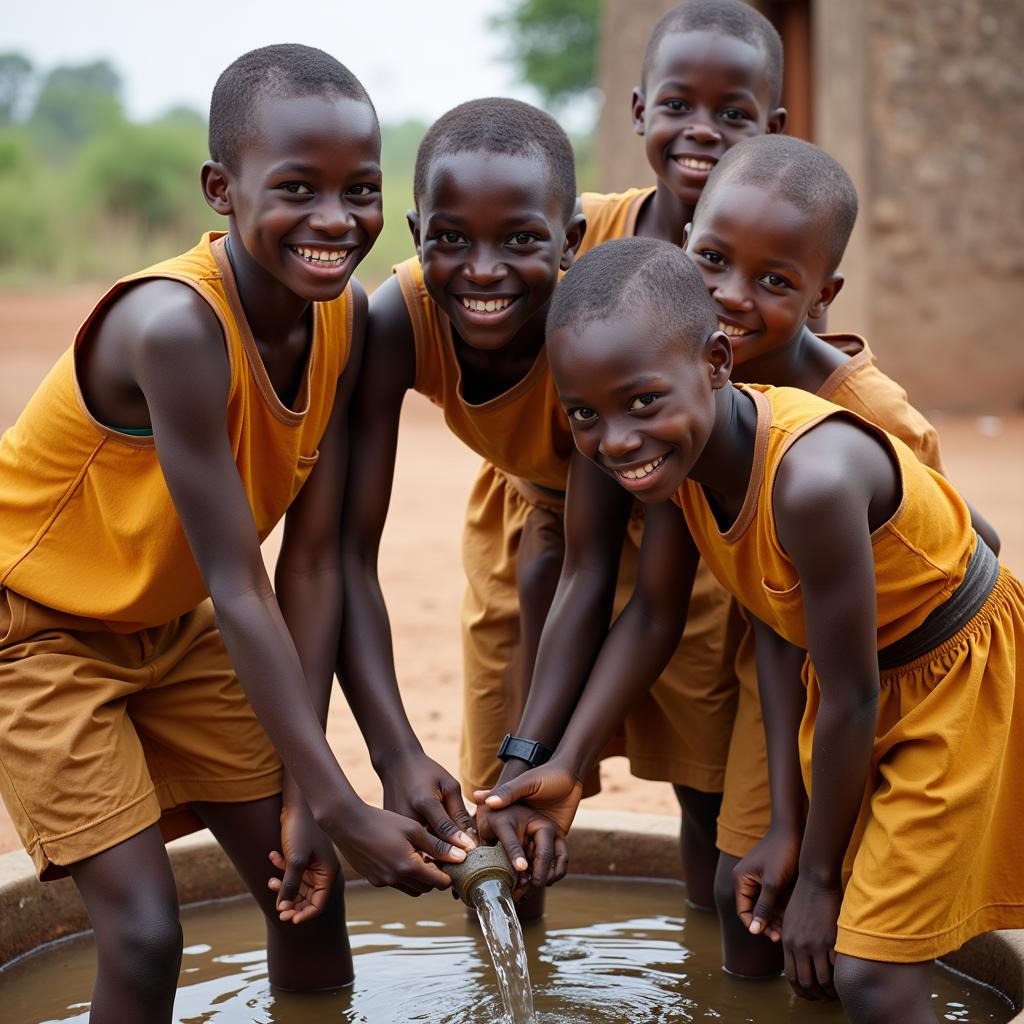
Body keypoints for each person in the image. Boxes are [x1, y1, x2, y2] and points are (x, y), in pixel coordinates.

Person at [0, 44, 468, 1024]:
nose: (336, 220)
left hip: (173, 627)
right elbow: (238, 577)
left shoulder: (340, 317)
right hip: (38, 633)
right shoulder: (172, 327)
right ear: (222, 187)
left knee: (305, 883)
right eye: (297, 188)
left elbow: (318, 559)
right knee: (143, 933)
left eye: (361, 189)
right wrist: (335, 803)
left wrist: (358, 777)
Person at [481, 236, 1024, 1024]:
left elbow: (848, 696)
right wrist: (565, 763)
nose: (617, 441)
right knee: (772, 913)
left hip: (952, 683)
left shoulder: (812, 479)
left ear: (715, 361)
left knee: (868, 972)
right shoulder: (687, 465)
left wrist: (819, 876)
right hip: (855, 680)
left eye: (641, 401)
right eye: (584, 415)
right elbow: (678, 617)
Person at [483, 0, 789, 912]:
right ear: (638, 111)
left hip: (720, 547)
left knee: (711, 781)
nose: (702, 131)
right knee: (510, 766)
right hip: (583, 521)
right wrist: (544, 754)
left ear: (771, 126)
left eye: (732, 114)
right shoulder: (591, 245)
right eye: (678, 105)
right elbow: (584, 557)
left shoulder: (773, 282)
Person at [677, 132, 1000, 975]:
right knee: (750, 898)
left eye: (774, 282)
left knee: (860, 928)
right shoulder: (694, 395)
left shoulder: (861, 420)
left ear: (825, 296)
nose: (729, 297)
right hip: (815, 672)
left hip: (915, 672)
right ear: (684, 242)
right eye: (711, 258)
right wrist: (788, 824)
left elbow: (966, 544)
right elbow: (781, 615)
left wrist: (814, 860)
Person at [339, 97, 584, 920]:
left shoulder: (601, 322)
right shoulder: (399, 316)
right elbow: (343, 553)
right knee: (498, 816)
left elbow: (591, 565)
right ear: (416, 235)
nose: (482, 270)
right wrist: (394, 754)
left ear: (570, 243)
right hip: (523, 520)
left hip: (664, 540)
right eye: (451, 239)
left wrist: (537, 750)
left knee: (712, 801)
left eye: (520, 240)